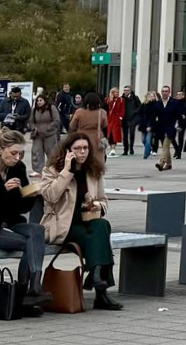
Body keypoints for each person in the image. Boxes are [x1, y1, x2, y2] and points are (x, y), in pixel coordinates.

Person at [40, 132, 122, 309]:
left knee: (102, 225)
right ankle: (100, 289)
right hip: (64, 224)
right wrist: (66, 171)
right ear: (68, 151)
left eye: (85, 148)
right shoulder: (52, 170)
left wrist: (97, 206)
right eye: (77, 148)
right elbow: (50, 196)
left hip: (88, 219)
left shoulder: (93, 170)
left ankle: (96, 276)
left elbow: (103, 199)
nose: (82, 152)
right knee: (99, 239)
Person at [0, 129, 46, 295]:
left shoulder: (18, 168)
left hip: (11, 221)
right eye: (14, 153)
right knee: (31, 244)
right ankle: (24, 290)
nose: (17, 158)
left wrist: (30, 195)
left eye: (21, 153)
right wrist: (3, 190)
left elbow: (21, 208)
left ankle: (34, 284)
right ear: (1, 149)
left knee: (37, 230)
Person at [28, 93, 58, 175]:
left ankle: (52, 169)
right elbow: (31, 121)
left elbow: (56, 120)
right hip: (37, 134)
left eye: (41, 100)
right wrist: (33, 128)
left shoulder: (51, 108)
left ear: (45, 101)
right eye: (37, 101)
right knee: (36, 152)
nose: (39, 102)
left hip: (49, 134)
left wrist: (48, 128)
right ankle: (37, 170)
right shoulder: (35, 110)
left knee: (51, 152)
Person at [120, 86, 141, 155]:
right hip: (124, 118)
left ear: (130, 91)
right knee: (125, 135)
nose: (125, 91)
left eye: (127, 90)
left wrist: (134, 112)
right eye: (124, 90)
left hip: (133, 118)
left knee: (132, 133)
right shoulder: (121, 98)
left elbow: (139, 106)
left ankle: (131, 147)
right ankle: (125, 150)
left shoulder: (135, 98)